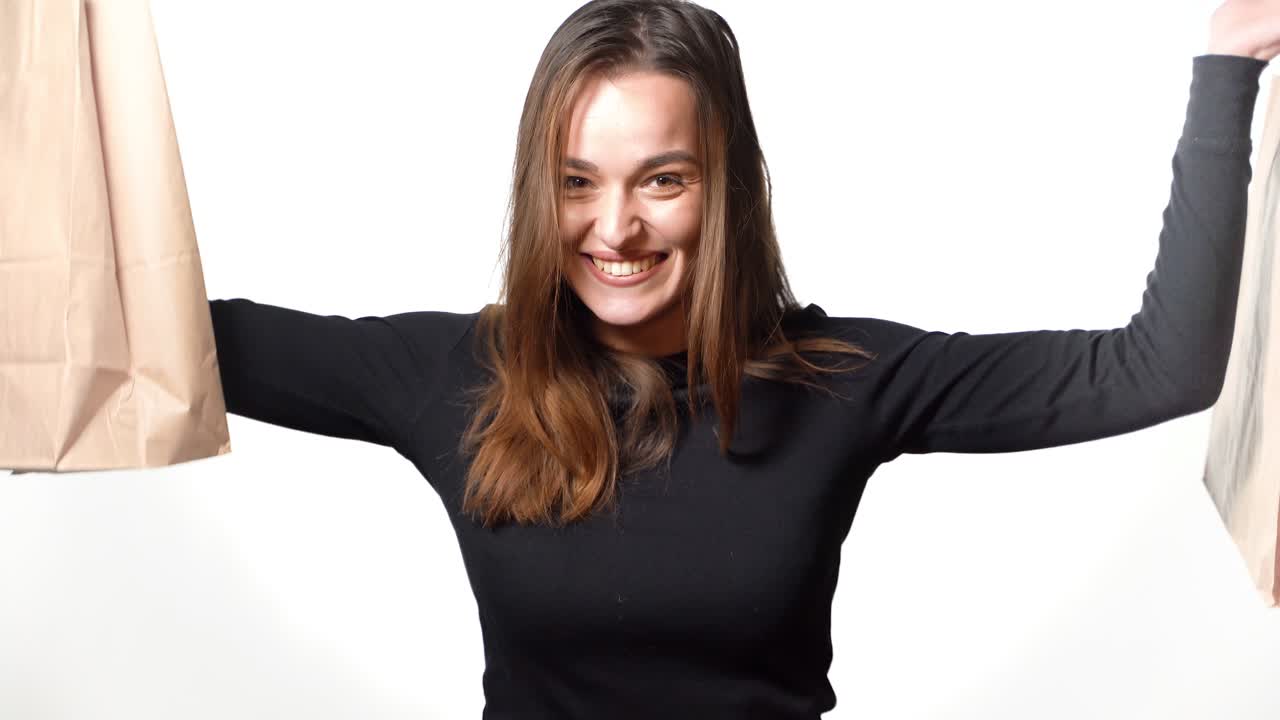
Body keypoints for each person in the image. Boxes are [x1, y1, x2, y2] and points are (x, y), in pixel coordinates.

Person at [206, 0, 1280, 716]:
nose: (613, 228)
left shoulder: (835, 380)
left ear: (726, 188)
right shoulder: (451, 375)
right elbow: (146, 333)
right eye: (578, 182)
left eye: (660, 180)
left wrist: (1225, 70)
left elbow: (1159, 368)